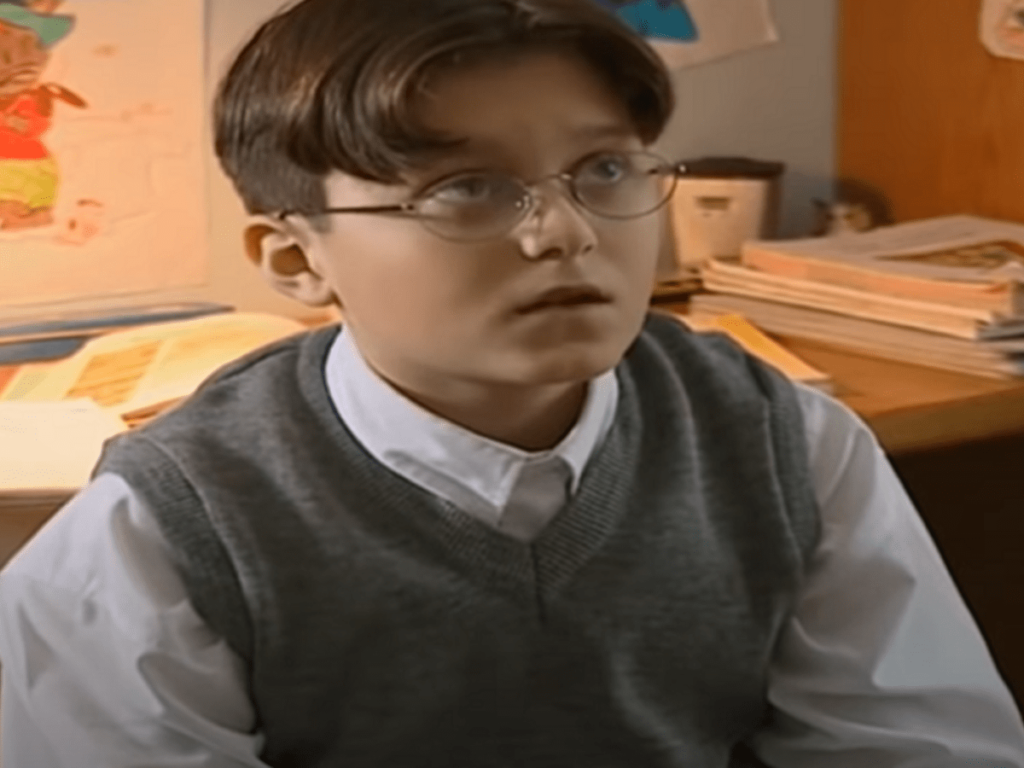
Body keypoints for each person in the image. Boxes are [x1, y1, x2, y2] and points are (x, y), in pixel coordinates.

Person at [1, 0, 1022, 764]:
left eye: (606, 171)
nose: (566, 232)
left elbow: (920, 746)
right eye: (468, 189)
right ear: (297, 259)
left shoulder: (781, 439)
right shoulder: (165, 525)